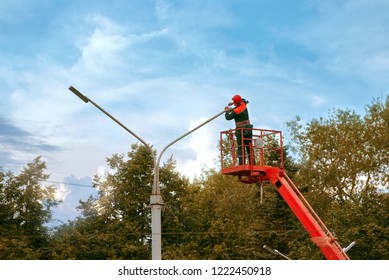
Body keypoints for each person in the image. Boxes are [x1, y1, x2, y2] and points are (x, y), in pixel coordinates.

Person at [224, 94, 254, 165]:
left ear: (236, 103)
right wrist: (232, 103)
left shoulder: (236, 111)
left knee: (241, 147)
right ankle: (252, 163)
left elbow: (228, 117)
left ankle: (242, 163)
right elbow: (243, 100)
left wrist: (226, 111)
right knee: (249, 146)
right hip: (248, 128)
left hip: (241, 130)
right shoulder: (243, 104)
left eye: (233, 101)